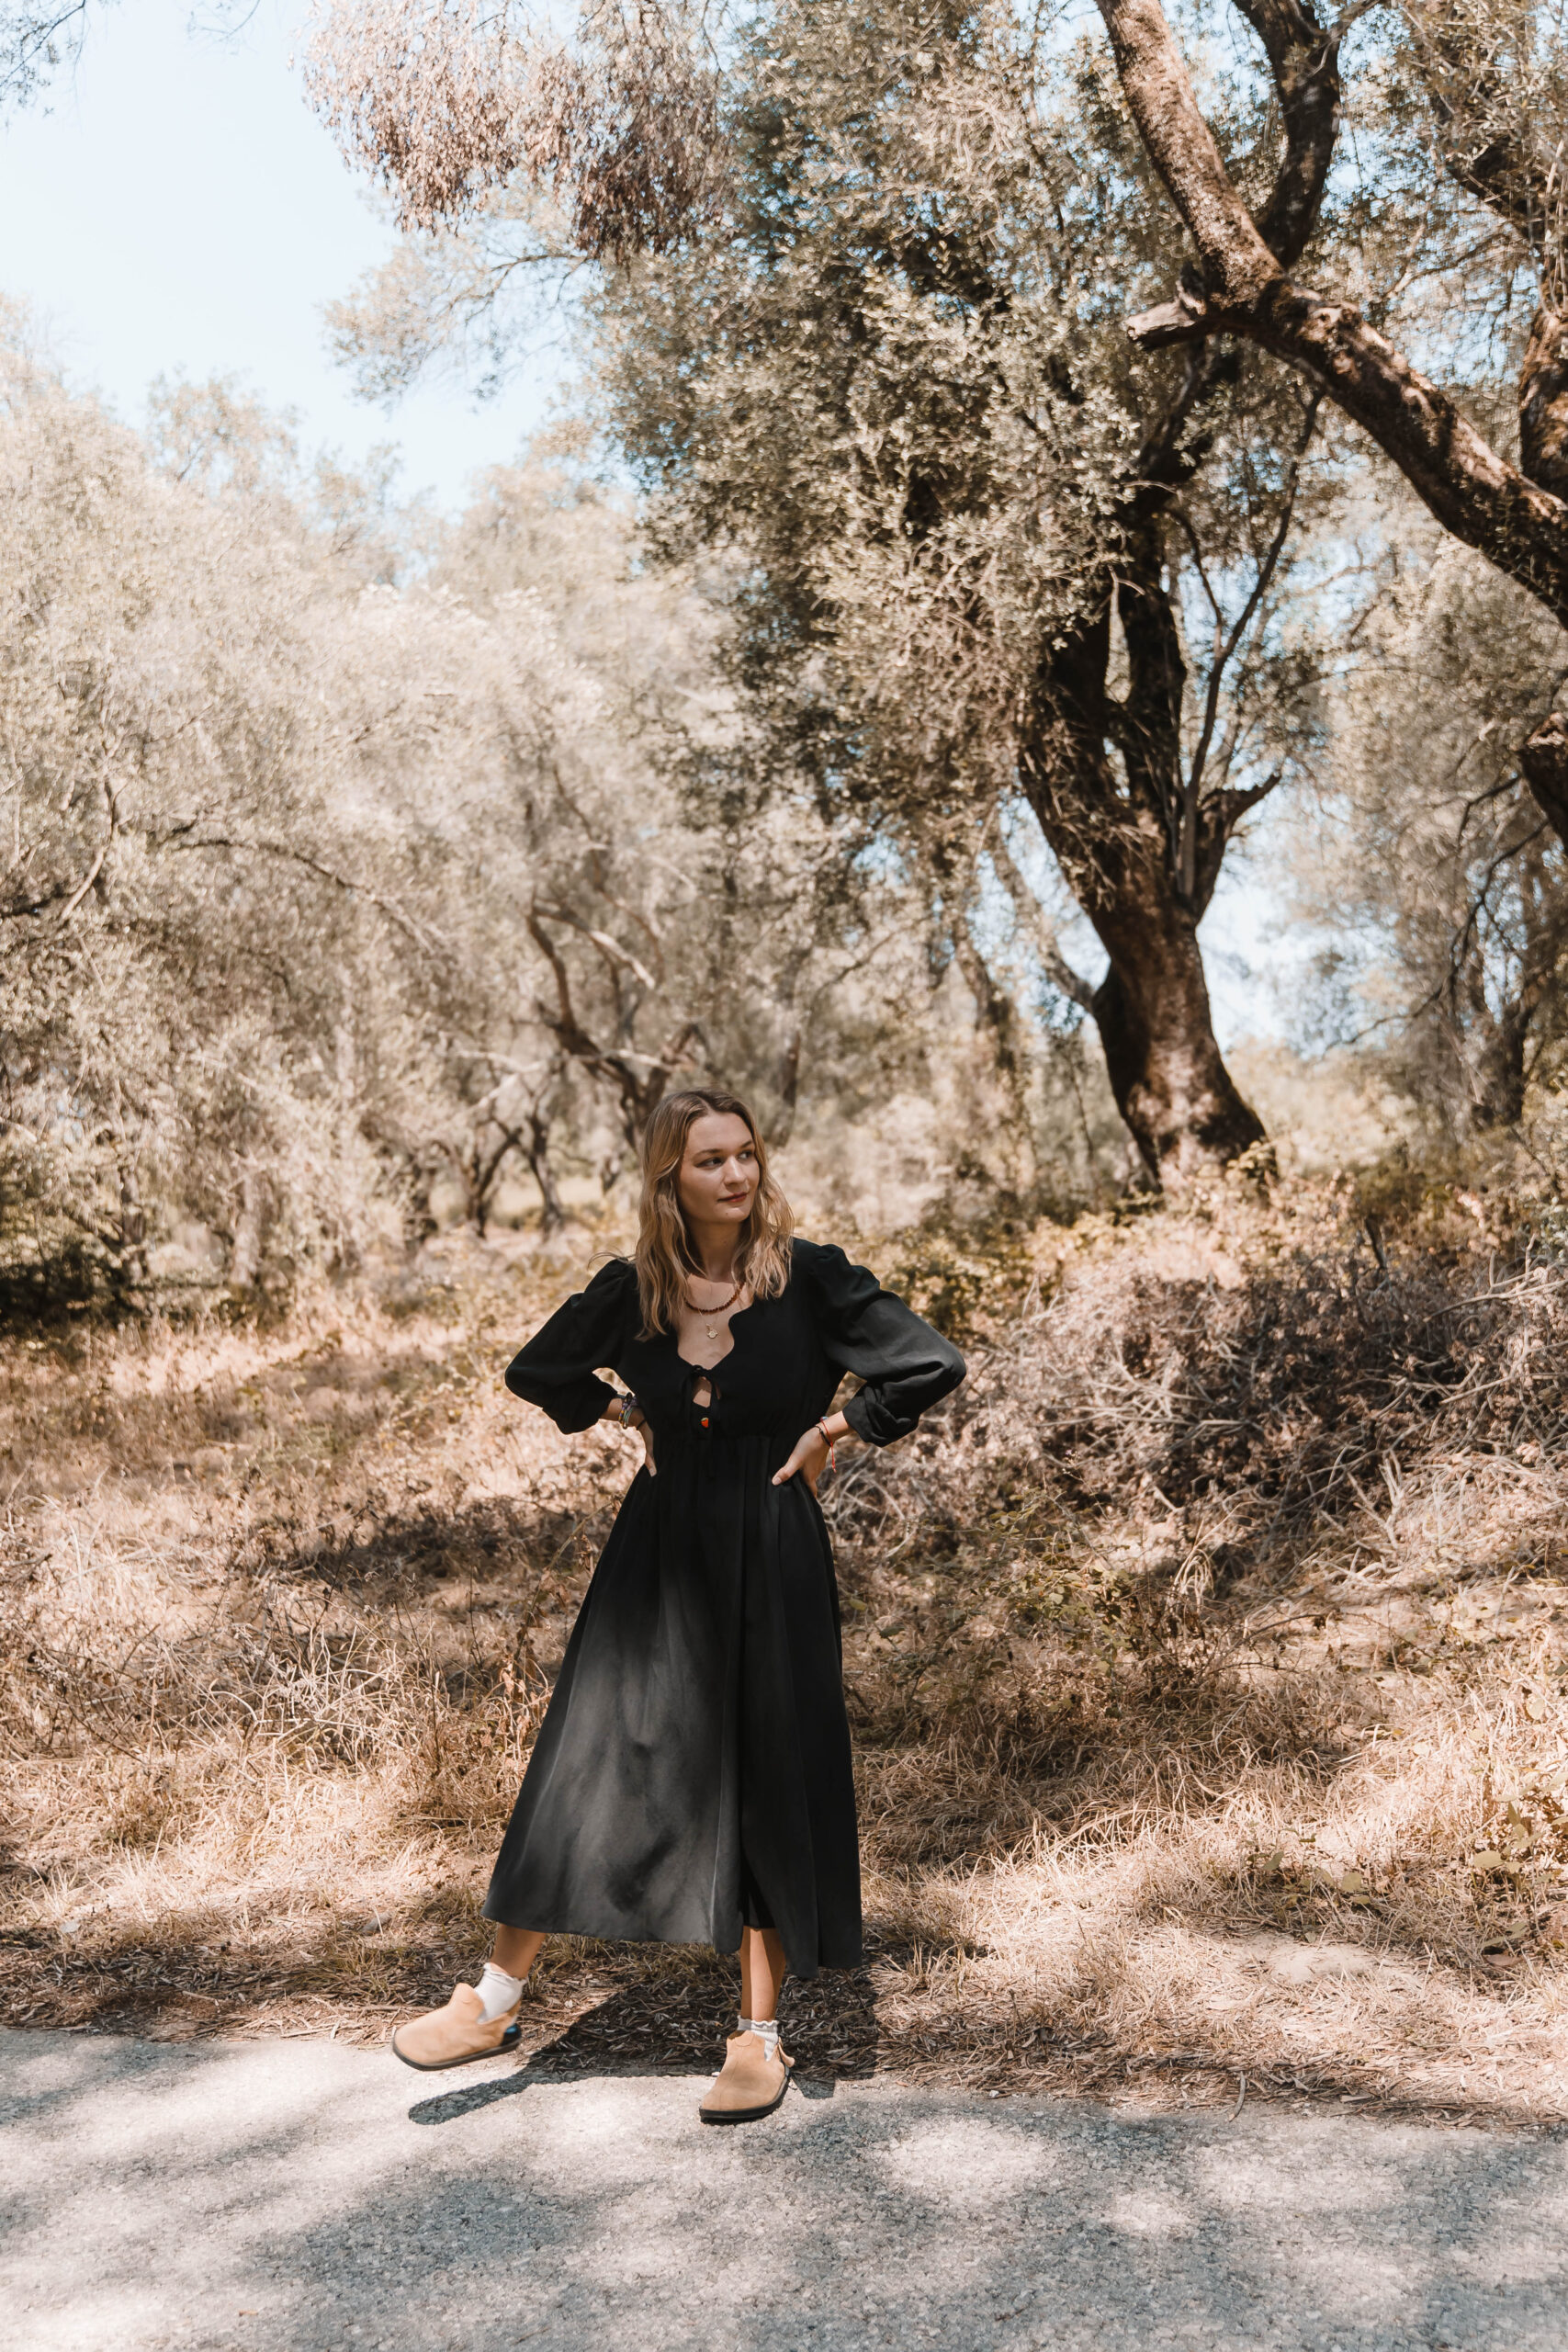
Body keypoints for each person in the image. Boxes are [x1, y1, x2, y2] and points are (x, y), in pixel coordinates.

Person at [391, 1087, 965, 2122]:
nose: (736, 1174)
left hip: (771, 1545)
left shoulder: (810, 1278)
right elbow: (538, 1369)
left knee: (763, 1771)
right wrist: (624, 1408)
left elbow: (931, 1363)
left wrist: (833, 1430)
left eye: (746, 1154)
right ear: (670, 1177)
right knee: (588, 1750)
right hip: (655, 1548)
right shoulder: (637, 1288)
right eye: (710, 1160)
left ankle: (757, 2036)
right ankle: (494, 2000)